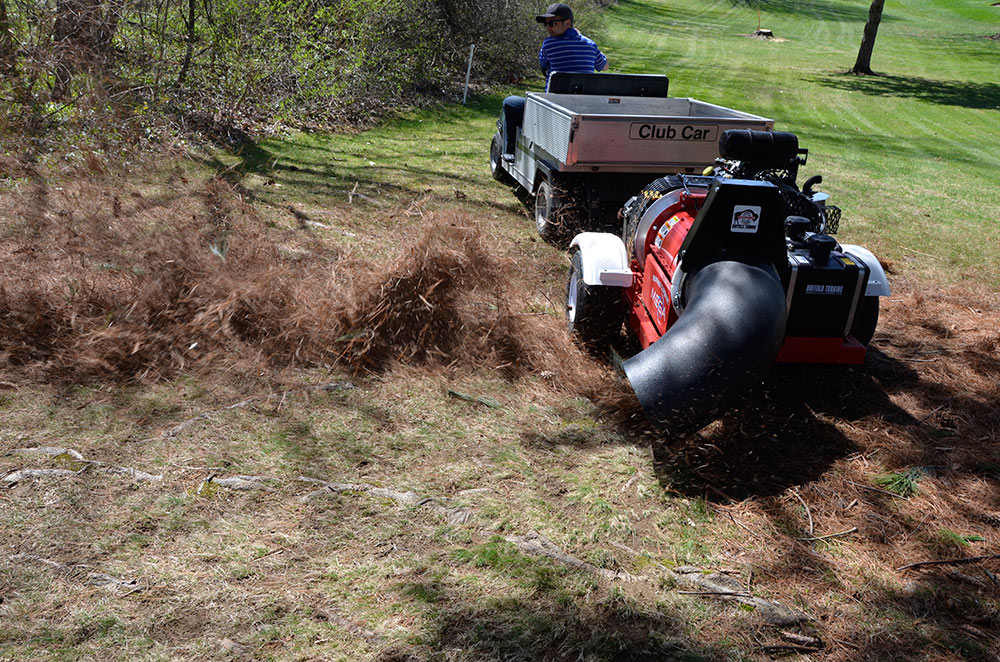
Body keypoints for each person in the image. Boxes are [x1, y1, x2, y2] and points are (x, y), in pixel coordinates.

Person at [501, 3, 608, 161]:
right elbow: (604, 66)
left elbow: (543, 65)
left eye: (552, 23)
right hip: (583, 109)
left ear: (567, 23)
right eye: (546, 24)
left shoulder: (549, 44)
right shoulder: (590, 45)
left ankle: (509, 151)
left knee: (509, 103)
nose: (548, 28)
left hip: (552, 111)